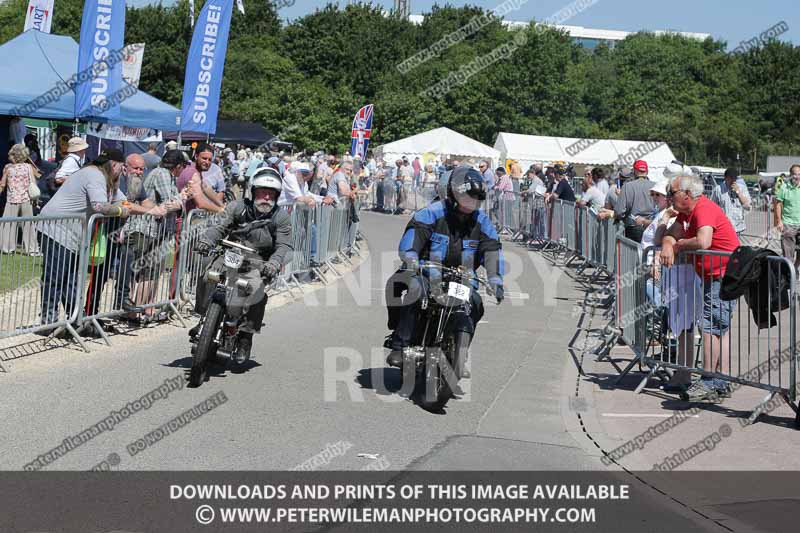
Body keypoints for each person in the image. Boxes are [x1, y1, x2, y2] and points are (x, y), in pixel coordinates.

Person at [383, 166, 505, 373]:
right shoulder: (431, 213)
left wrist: (495, 280)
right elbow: (412, 239)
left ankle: (459, 353)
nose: (472, 202)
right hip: (424, 271)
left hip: (461, 277)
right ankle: (400, 345)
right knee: (415, 291)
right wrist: (411, 258)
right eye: (468, 197)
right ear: (454, 194)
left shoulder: (483, 222)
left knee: (475, 303)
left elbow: (492, 250)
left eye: (476, 199)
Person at [191, 167, 293, 363]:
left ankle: (246, 335)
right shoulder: (236, 207)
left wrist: (274, 262)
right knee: (207, 275)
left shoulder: (281, 217)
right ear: (253, 191)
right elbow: (218, 227)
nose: (266, 197)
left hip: (258, 262)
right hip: (229, 253)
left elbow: (284, 245)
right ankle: (204, 317)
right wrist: (207, 240)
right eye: (262, 192)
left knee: (256, 291)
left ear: (277, 196)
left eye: (271, 194)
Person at [660, 174, 740, 402]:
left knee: (711, 326)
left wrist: (679, 245)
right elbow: (670, 234)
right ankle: (719, 381)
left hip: (723, 276)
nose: (668, 197)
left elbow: (703, 241)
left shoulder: (703, 208)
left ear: (687, 194)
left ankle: (709, 381)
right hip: (714, 276)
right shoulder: (686, 213)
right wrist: (668, 244)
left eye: (671, 193)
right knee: (717, 326)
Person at [37, 149, 135, 330]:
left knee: (72, 279)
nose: (122, 172)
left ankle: (76, 319)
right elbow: (100, 206)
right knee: (56, 277)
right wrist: (120, 211)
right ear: (114, 164)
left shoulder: (104, 177)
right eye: (121, 168)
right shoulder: (94, 175)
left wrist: (153, 210)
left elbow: (124, 201)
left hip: (72, 233)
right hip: (56, 229)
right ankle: (48, 321)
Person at [116, 150, 186, 321]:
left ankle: (140, 310)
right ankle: (133, 312)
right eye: (183, 166)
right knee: (145, 272)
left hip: (152, 230)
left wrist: (178, 201)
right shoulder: (162, 173)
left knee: (149, 272)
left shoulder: (166, 175)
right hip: (144, 229)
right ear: (177, 166)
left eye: (142, 169)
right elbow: (168, 202)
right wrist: (183, 197)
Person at [0, 144, 40, 255]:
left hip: (12, 200)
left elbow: (2, 184)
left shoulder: (8, 168)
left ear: (14, 155)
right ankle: (32, 249)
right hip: (26, 199)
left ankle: (7, 248)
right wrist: (35, 199)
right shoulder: (28, 167)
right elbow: (33, 183)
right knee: (28, 225)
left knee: (8, 224)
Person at [178, 143, 226, 214]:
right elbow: (201, 203)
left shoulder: (195, 170)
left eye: (210, 160)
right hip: (184, 218)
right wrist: (220, 210)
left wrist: (221, 205)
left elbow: (206, 188)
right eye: (204, 158)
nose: (207, 162)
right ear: (196, 156)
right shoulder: (192, 173)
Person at [614, 159, 654, 242]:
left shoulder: (627, 186)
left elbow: (619, 211)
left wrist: (620, 218)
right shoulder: (656, 186)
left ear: (634, 171)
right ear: (647, 171)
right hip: (652, 226)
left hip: (634, 227)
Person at [710, 168, 751, 237]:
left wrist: (738, 192)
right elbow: (712, 207)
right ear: (725, 178)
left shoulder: (742, 188)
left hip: (737, 226)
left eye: (734, 178)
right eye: (730, 178)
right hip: (723, 226)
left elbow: (747, 206)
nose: (733, 181)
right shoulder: (718, 189)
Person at [775, 164, 800, 271]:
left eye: (799, 174)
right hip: (788, 224)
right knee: (788, 254)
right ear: (790, 175)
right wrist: (779, 221)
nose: (797, 177)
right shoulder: (784, 187)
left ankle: (795, 268)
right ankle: (789, 274)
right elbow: (778, 205)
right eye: (795, 174)